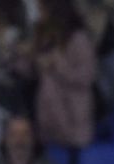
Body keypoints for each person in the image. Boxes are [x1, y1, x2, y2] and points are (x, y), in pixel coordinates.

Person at [24, 0, 97, 151]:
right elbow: (32, 71)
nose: (39, 15)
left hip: (72, 118)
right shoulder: (41, 34)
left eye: (42, 9)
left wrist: (56, 65)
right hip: (47, 118)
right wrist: (19, 58)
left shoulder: (79, 38)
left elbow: (86, 77)